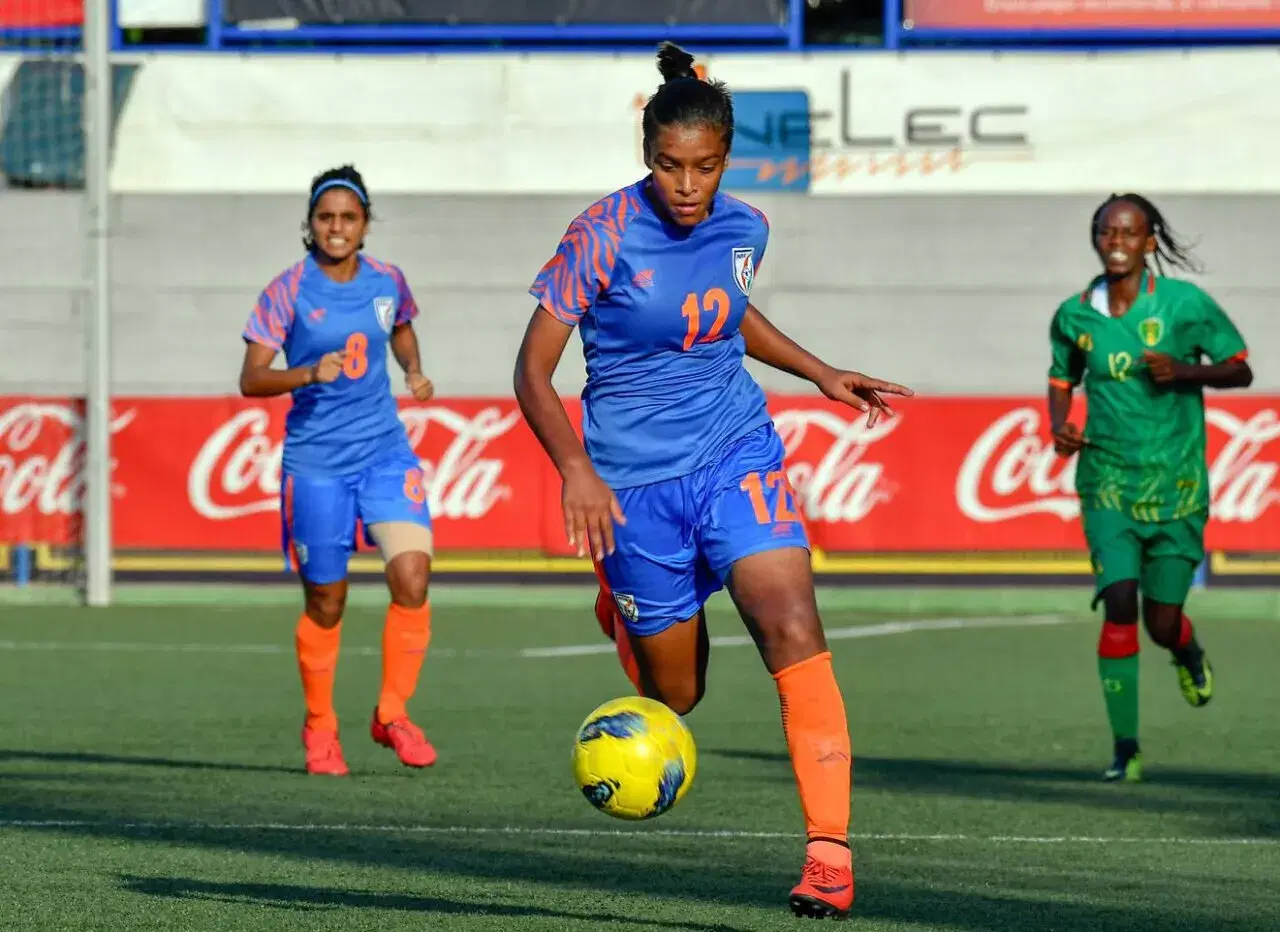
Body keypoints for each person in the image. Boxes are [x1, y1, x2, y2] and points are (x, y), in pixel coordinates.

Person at [514, 43, 911, 921]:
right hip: (631, 487)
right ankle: (623, 610)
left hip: (736, 451)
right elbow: (532, 371)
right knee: (677, 696)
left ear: (727, 159)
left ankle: (829, 855)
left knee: (791, 623)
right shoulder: (601, 234)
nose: (686, 185)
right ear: (645, 157)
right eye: (668, 166)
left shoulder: (747, 228)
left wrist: (817, 370)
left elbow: (728, 312)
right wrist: (577, 469)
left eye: (704, 167)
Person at [240, 165, 438, 776]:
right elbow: (251, 378)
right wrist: (306, 373)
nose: (336, 227)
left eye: (348, 218)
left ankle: (391, 712)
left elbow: (400, 328)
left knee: (412, 575)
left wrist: (412, 370)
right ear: (310, 224)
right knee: (327, 600)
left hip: (384, 452)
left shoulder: (387, 281)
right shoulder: (287, 290)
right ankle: (321, 726)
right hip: (317, 464)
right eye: (326, 217)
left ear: (365, 224)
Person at [1047, 193, 1252, 783]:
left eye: (1129, 232)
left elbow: (1240, 367)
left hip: (1178, 484)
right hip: (1107, 482)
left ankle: (1185, 649)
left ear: (1149, 242)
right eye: (1107, 230)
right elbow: (1061, 378)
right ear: (1096, 237)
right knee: (1118, 604)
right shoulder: (1074, 314)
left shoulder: (1186, 305)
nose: (1117, 241)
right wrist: (1060, 423)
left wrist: (1186, 371)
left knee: (1161, 620)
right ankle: (1125, 749)